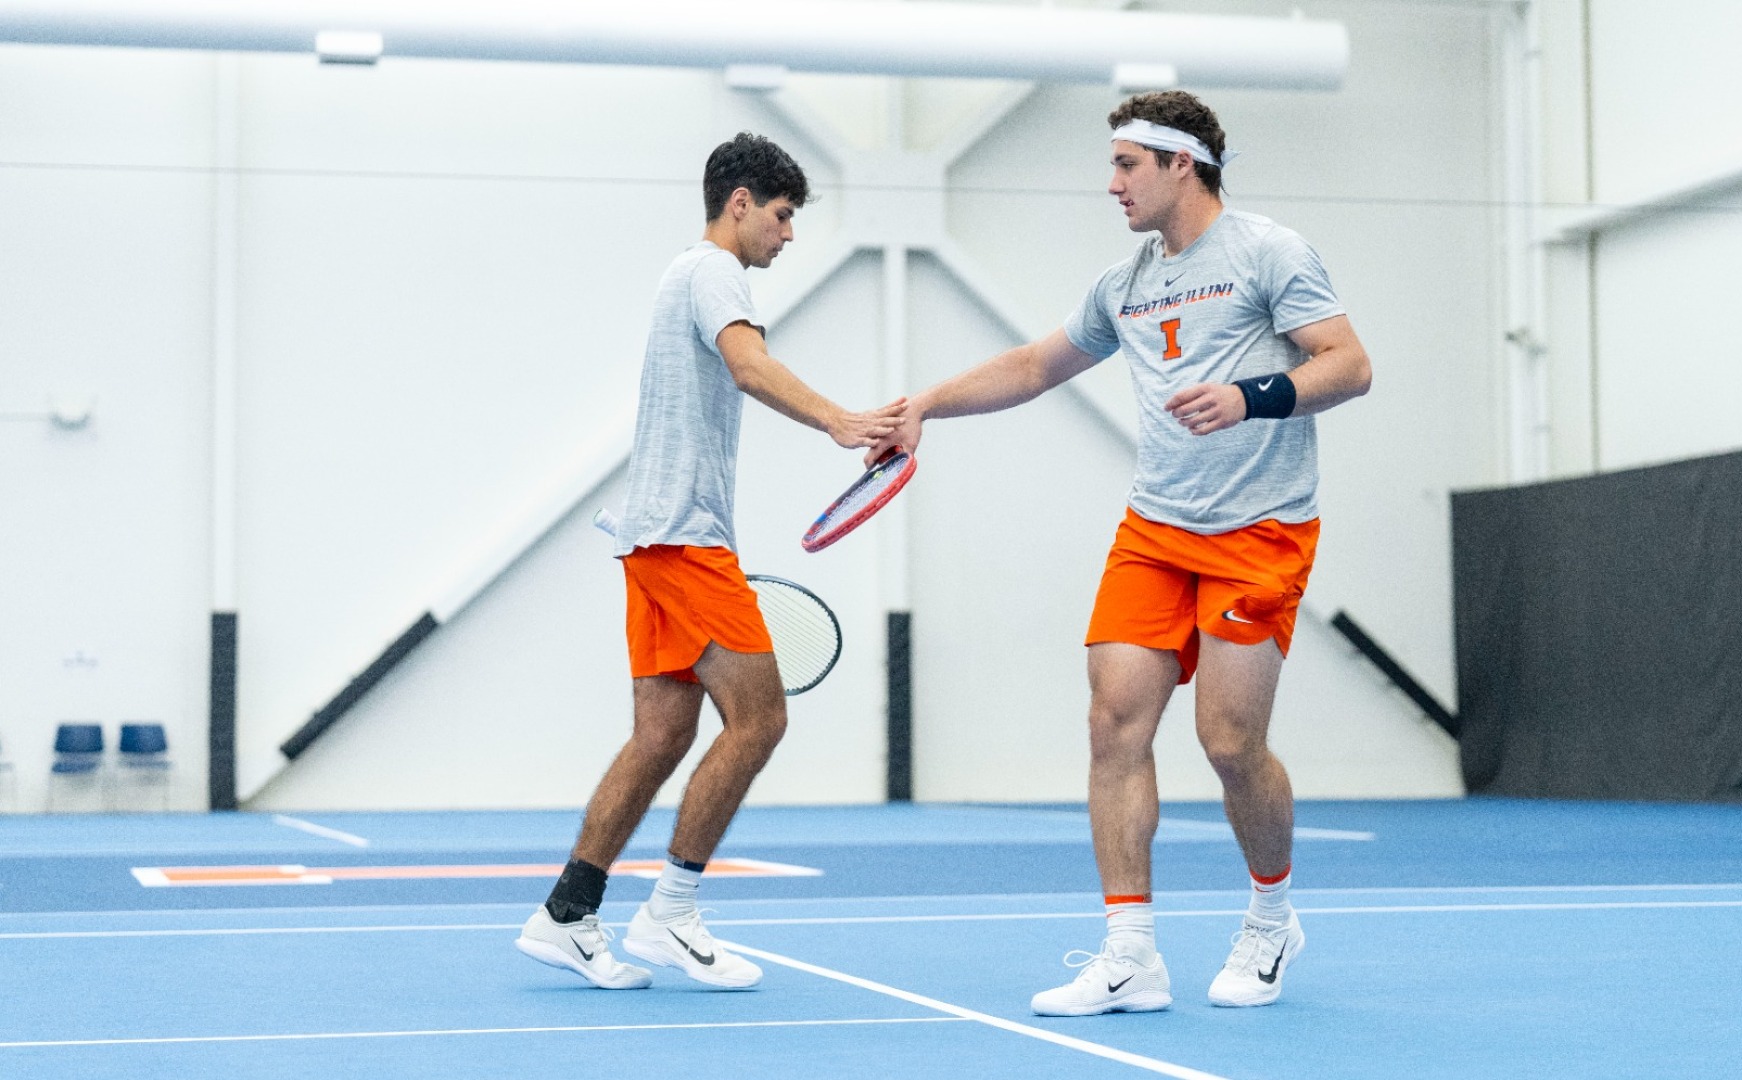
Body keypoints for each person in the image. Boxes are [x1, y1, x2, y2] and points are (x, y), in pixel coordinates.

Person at [871, 91, 1371, 1014]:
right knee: (1113, 725)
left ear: (1183, 163)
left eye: (1127, 165)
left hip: (1260, 528)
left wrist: (1252, 395)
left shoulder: (1269, 252)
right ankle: (1130, 952)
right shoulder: (1127, 281)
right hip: (1155, 529)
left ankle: (1270, 918)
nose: (1112, 184)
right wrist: (925, 406)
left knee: (1228, 741)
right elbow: (1032, 366)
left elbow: (1348, 363)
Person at [515, 132, 905, 991]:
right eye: (783, 214)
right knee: (761, 720)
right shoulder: (712, 271)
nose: (789, 234)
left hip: (651, 536)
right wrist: (842, 421)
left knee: (661, 735)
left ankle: (566, 916)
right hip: (684, 540)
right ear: (739, 203)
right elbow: (749, 364)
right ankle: (672, 912)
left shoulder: (681, 276)